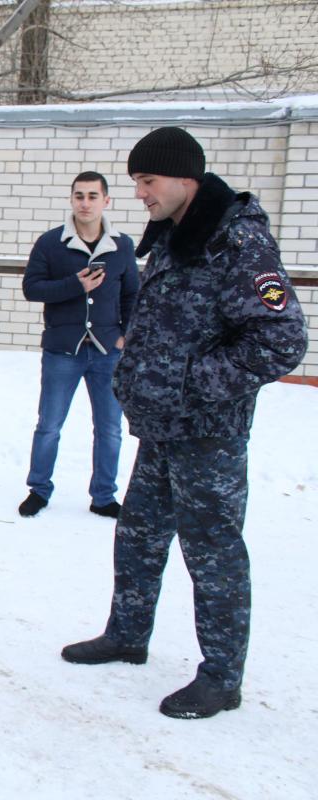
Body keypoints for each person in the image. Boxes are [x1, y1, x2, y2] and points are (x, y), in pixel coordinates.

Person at [61, 127, 308, 719]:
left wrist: (191, 383)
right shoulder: (176, 236)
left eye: (146, 181)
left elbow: (282, 339)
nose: (140, 194)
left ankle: (221, 677)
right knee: (139, 536)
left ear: (182, 178)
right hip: (163, 428)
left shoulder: (238, 242)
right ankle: (127, 634)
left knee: (213, 553)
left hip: (208, 435)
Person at [18, 171, 138, 519]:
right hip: (62, 349)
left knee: (110, 429)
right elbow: (32, 288)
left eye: (92, 196)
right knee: (49, 425)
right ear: (72, 199)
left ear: (106, 201)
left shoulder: (122, 245)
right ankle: (38, 490)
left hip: (107, 351)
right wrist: (74, 285)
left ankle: (103, 496)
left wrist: (123, 334)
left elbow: (132, 293)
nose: (85, 203)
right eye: (79, 196)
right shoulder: (50, 243)